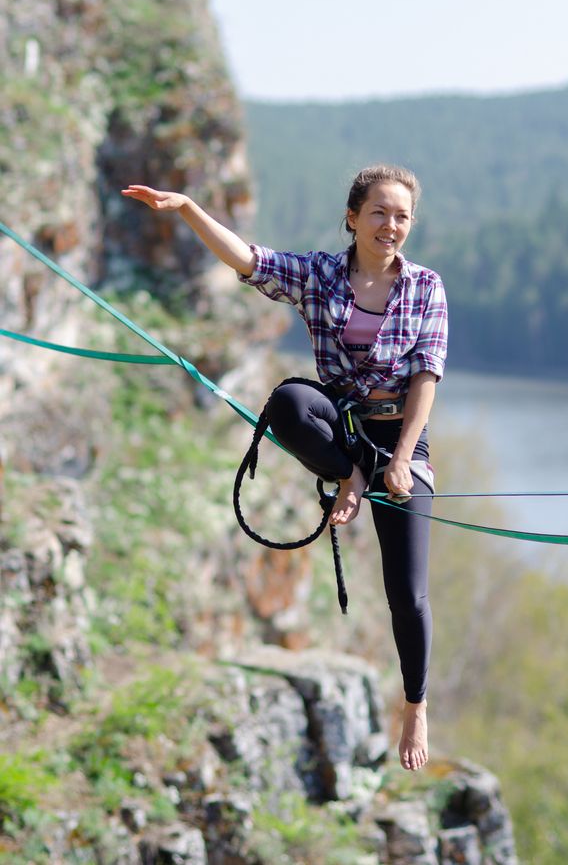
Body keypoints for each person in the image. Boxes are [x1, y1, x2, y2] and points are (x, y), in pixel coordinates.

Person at [122, 165, 448, 771]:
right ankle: (349, 475)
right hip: (342, 426)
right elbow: (248, 259)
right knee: (288, 403)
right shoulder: (321, 274)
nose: (391, 225)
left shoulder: (426, 287)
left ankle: (416, 704)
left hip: (400, 438)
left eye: (401, 216)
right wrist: (189, 207)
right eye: (379, 212)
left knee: (407, 592)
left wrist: (403, 460)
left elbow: (426, 376)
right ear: (353, 218)